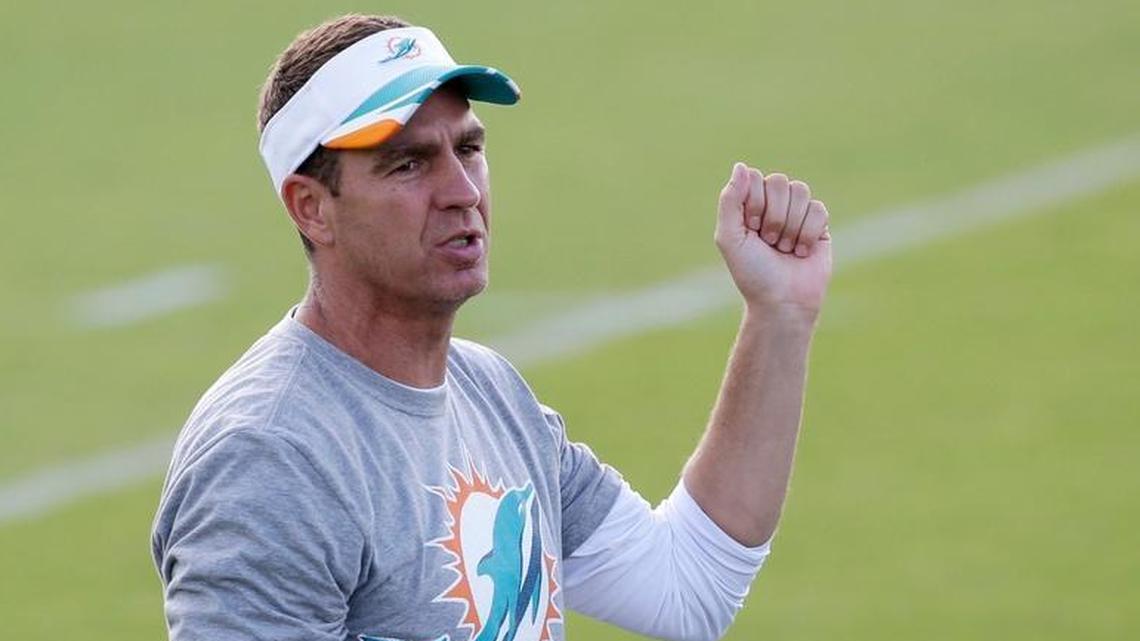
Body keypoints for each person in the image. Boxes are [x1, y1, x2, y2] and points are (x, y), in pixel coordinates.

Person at [150, 13, 832, 641]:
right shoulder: (273, 457)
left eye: (469, 148)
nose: (464, 191)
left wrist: (779, 316)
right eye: (408, 163)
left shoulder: (491, 394)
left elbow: (686, 586)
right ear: (312, 208)